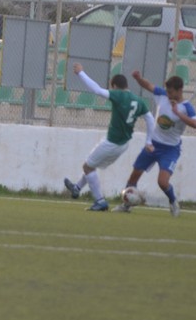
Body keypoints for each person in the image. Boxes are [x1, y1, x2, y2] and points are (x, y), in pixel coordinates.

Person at [64, 62, 155, 211]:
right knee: (92, 165)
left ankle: (100, 201)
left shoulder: (119, 95)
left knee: (87, 167)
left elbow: (97, 90)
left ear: (115, 86)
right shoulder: (139, 101)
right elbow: (150, 119)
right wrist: (149, 141)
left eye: (112, 87)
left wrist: (81, 73)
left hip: (112, 143)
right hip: (123, 144)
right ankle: (77, 187)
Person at [115, 70, 196, 216]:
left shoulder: (186, 107)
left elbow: (195, 124)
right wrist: (138, 78)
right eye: (167, 91)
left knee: (163, 182)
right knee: (134, 175)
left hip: (170, 150)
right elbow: (148, 85)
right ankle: (126, 205)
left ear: (179, 90)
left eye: (171, 92)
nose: (168, 94)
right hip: (153, 144)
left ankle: (173, 201)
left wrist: (178, 113)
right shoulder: (163, 95)